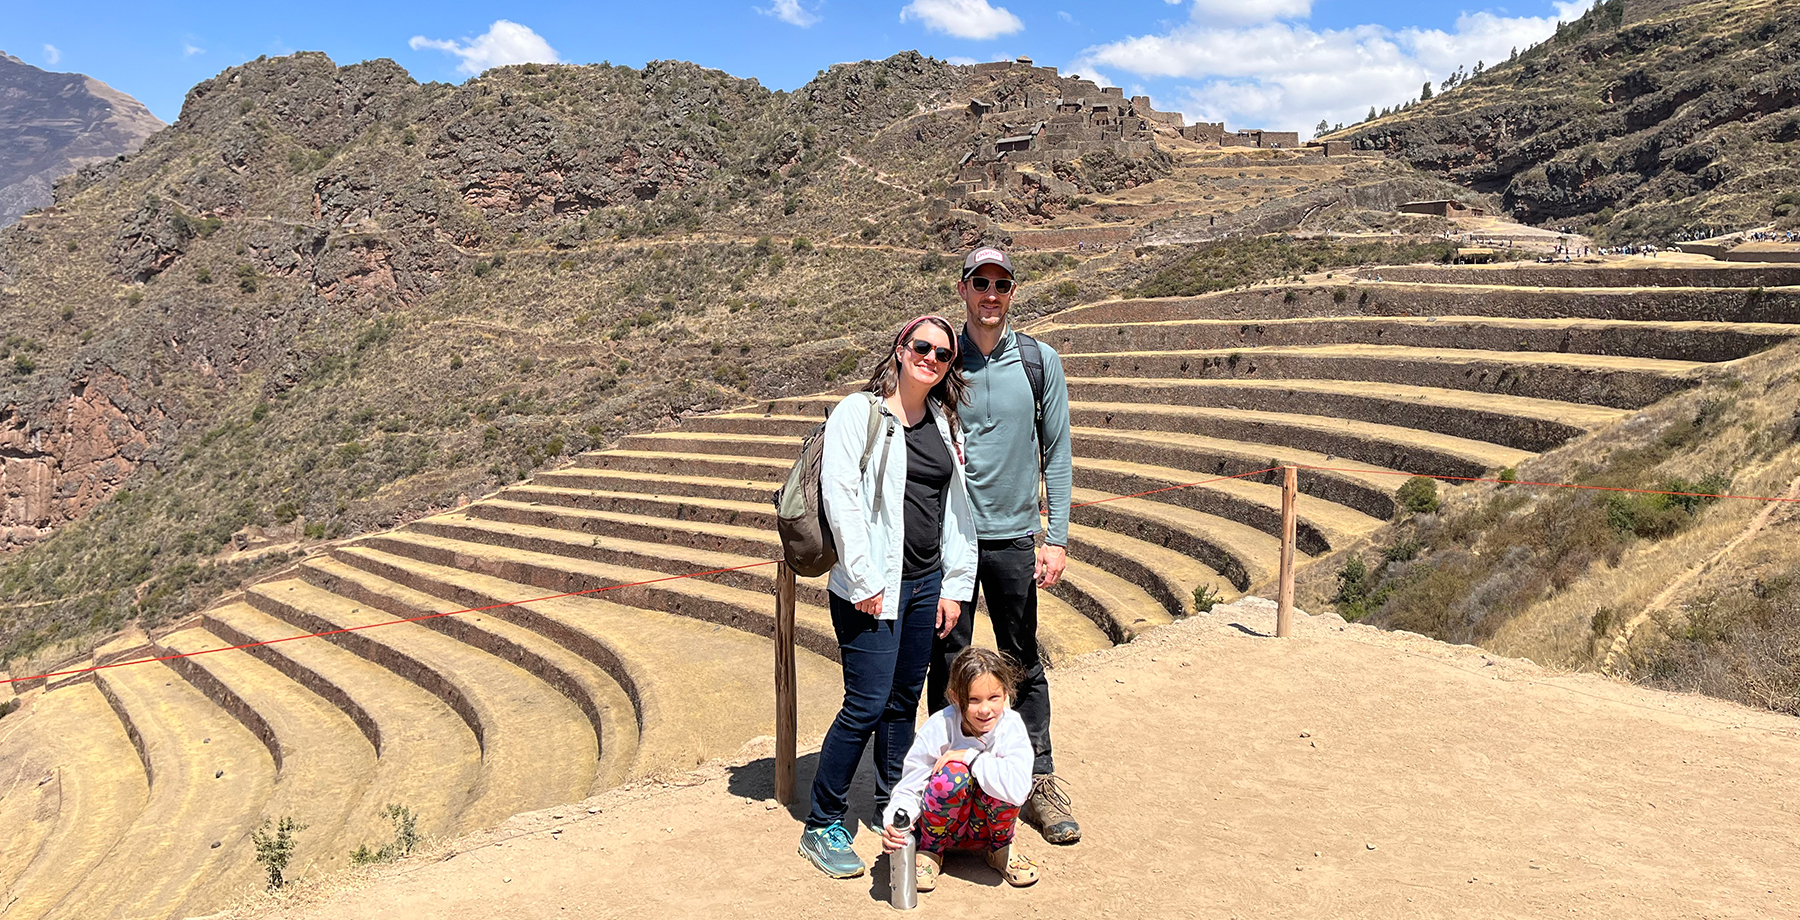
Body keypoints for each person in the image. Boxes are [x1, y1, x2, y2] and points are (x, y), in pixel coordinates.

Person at [798, 314, 979, 879]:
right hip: (872, 587)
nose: (930, 358)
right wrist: (864, 578)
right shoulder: (861, 412)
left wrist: (953, 586)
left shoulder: (946, 424)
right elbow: (841, 496)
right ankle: (822, 821)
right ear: (900, 350)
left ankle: (892, 801)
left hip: (926, 584)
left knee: (903, 702)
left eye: (943, 354)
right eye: (921, 347)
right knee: (866, 705)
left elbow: (954, 512)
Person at [928, 246, 1082, 845]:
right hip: (950, 544)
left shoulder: (1040, 362)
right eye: (980, 283)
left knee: (1023, 662)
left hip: (1016, 538)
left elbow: (1058, 455)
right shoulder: (941, 359)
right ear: (963, 289)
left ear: (1011, 293)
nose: (991, 294)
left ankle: (1036, 780)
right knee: (949, 665)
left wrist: (1057, 537)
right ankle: (952, 787)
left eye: (1001, 284)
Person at [882, 646, 1039, 891]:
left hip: (988, 828)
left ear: (1006, 693)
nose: (985, 710)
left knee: (1003, 775)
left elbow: (1018, 790)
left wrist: (971, 757)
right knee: (951, 774)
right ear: (956, 697)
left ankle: (1001, 847)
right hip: (943, 826)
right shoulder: (939, 726)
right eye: (973, 700)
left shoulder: (1012, 727)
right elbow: (911, 784)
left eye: (994, 698)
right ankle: (931, 851)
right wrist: (895, 821)